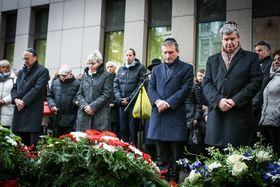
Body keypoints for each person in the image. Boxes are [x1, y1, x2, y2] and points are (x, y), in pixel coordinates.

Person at [203, 21, 262, 148]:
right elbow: (207, 83)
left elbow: (256, 83)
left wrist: (235, 101)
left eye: (232, 39)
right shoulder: (212, 60)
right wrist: (218, 101)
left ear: (238, 38)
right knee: (216, 162)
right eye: (226, 39)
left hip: (239, 116)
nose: (229, 42)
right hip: (217, 117)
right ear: (221, 40)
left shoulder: (251, 58)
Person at [147, 38, 194, 183]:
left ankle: (174, 181)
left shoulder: (187, 68)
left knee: (176, 155)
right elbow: (151, 88)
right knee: (161, 153)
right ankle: (163, 180)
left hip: (174, 115)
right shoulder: (156, 69)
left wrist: (168, 103)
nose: (168, 55)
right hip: (158, 115)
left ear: (177, 52)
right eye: (165, 52)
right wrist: (158, 101)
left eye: (171, 52)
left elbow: (185, 90)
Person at [11, 48, 49, 146]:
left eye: (27, 58)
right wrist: (15, 99)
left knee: (31, 144)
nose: (25, 61)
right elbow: (14, 88)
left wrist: (23, 101)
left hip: (32, 111)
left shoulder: (42, 71)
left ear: (35, 58)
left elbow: (38, 89)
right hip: (19, 110)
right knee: (18, 143)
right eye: (24, 59)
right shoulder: (21, 72)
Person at [114, 48, 146, 146]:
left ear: (134, 56)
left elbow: (140, 85)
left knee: (133, 131)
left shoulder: (140, 68)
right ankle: (124, 153)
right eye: (126, 55)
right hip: (122, 105)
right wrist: (119, 99)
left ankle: (134, 153)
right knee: (123, 131)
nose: (128, 57)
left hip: (133, 104)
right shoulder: (120, 69)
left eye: (130, 55)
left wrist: (129, 99)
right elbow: (116, 85)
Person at [76, 50, 114, 132]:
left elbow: (106, 94)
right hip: (84, 115)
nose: (90, 66)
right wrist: (85, 107)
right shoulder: (85, 76)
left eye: (93, 63)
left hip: (100, 115)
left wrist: (92, 107)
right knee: (82, 141)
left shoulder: (107, 76)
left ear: (99, 63)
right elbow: (79, 94)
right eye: (88, 63)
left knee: (99, 142)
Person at [47, 65, 80, 137]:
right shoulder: (55, 83)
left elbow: (78, 97)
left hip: (71, 119)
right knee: (56, 142)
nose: (62, 77)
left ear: (70, 74)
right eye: (60, 75)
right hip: (56, 118)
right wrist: (52, 105)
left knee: (69, 141)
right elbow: (50, 96)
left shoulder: (77, 84)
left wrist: (76, 101)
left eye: (64, 76)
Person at [259, 49, 280, 155]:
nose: (276, 61)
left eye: (279, 59)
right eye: (275, 59)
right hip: (269, 121)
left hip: (277, 120)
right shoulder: (273, 77)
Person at [143, 58, 161, 161]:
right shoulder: (146, 81)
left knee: (157, 136)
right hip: (148, 111)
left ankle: (159, 157)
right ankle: (151, 158)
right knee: (148, 136)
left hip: (158, 110)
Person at [253, 41, 272, 126]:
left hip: (260, 109)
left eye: (260, 50)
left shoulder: (269, 65)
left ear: (268, 51)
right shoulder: (259, 65)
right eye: (256, 51)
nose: (257, 53)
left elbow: (262, 87)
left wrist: (252, 106)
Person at [0, 60, 16, 129]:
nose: (5, 69)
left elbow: (16, 92)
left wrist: (4, 101)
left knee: (6, 131)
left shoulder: (14, 78)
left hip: (8, 108)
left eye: (7, 67)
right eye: (3, 67)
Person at [106, 61, 119, 135]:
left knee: (114, 131)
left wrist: (114, 103)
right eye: (108, 67)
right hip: (105, 109)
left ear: (115, 68)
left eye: (111, 67)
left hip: (115, 108)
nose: (109, 69)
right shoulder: (104, 79)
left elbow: (120, 93)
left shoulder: (118, 78)